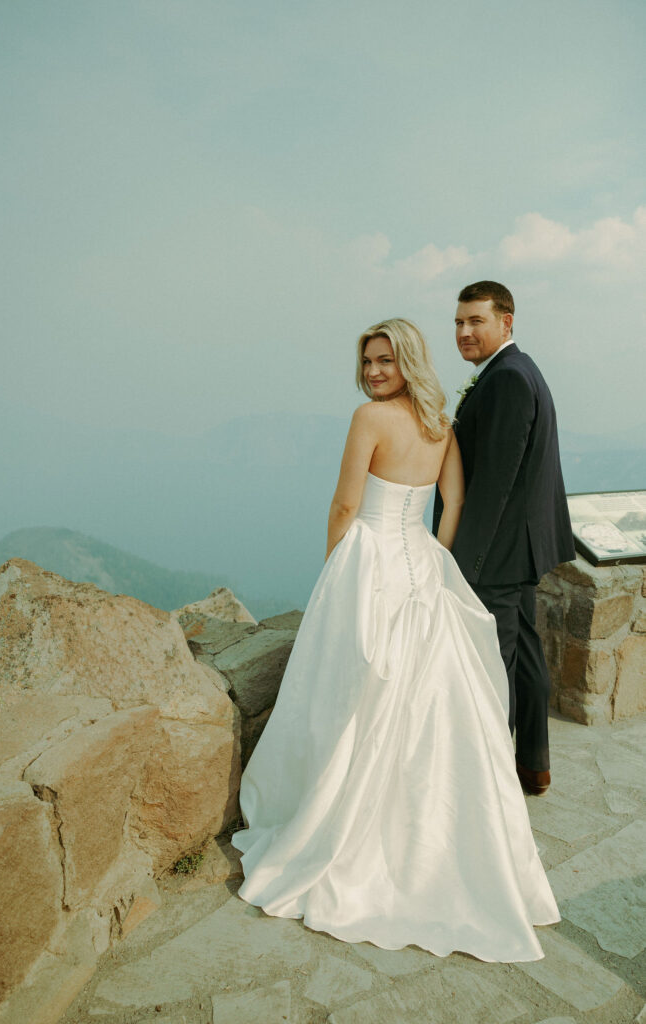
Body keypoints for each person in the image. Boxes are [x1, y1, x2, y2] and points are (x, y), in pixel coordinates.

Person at [232, 318, 559, 963]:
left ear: (406, 361)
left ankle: (345, 829)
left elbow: (345, 506)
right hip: (421, 566)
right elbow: (455, 500)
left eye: (385, 360)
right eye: (368, 361)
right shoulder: (440, 422)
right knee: (426, 704)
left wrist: (335, 573)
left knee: (346, 696)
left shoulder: (368, 419)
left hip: (369, 564)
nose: (374, 372)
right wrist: (432, 560)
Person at [433, 282, 575, 797]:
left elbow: (494, 483)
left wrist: (463, 565)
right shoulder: (514, 370)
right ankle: (533, 765)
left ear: (506, 323)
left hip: (498, 552)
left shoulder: (509, 379)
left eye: (476, 321)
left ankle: (488, 785)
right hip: (523, 544)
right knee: (528, 654)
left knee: (494, 666)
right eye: (458, 323)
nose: (464, 332)